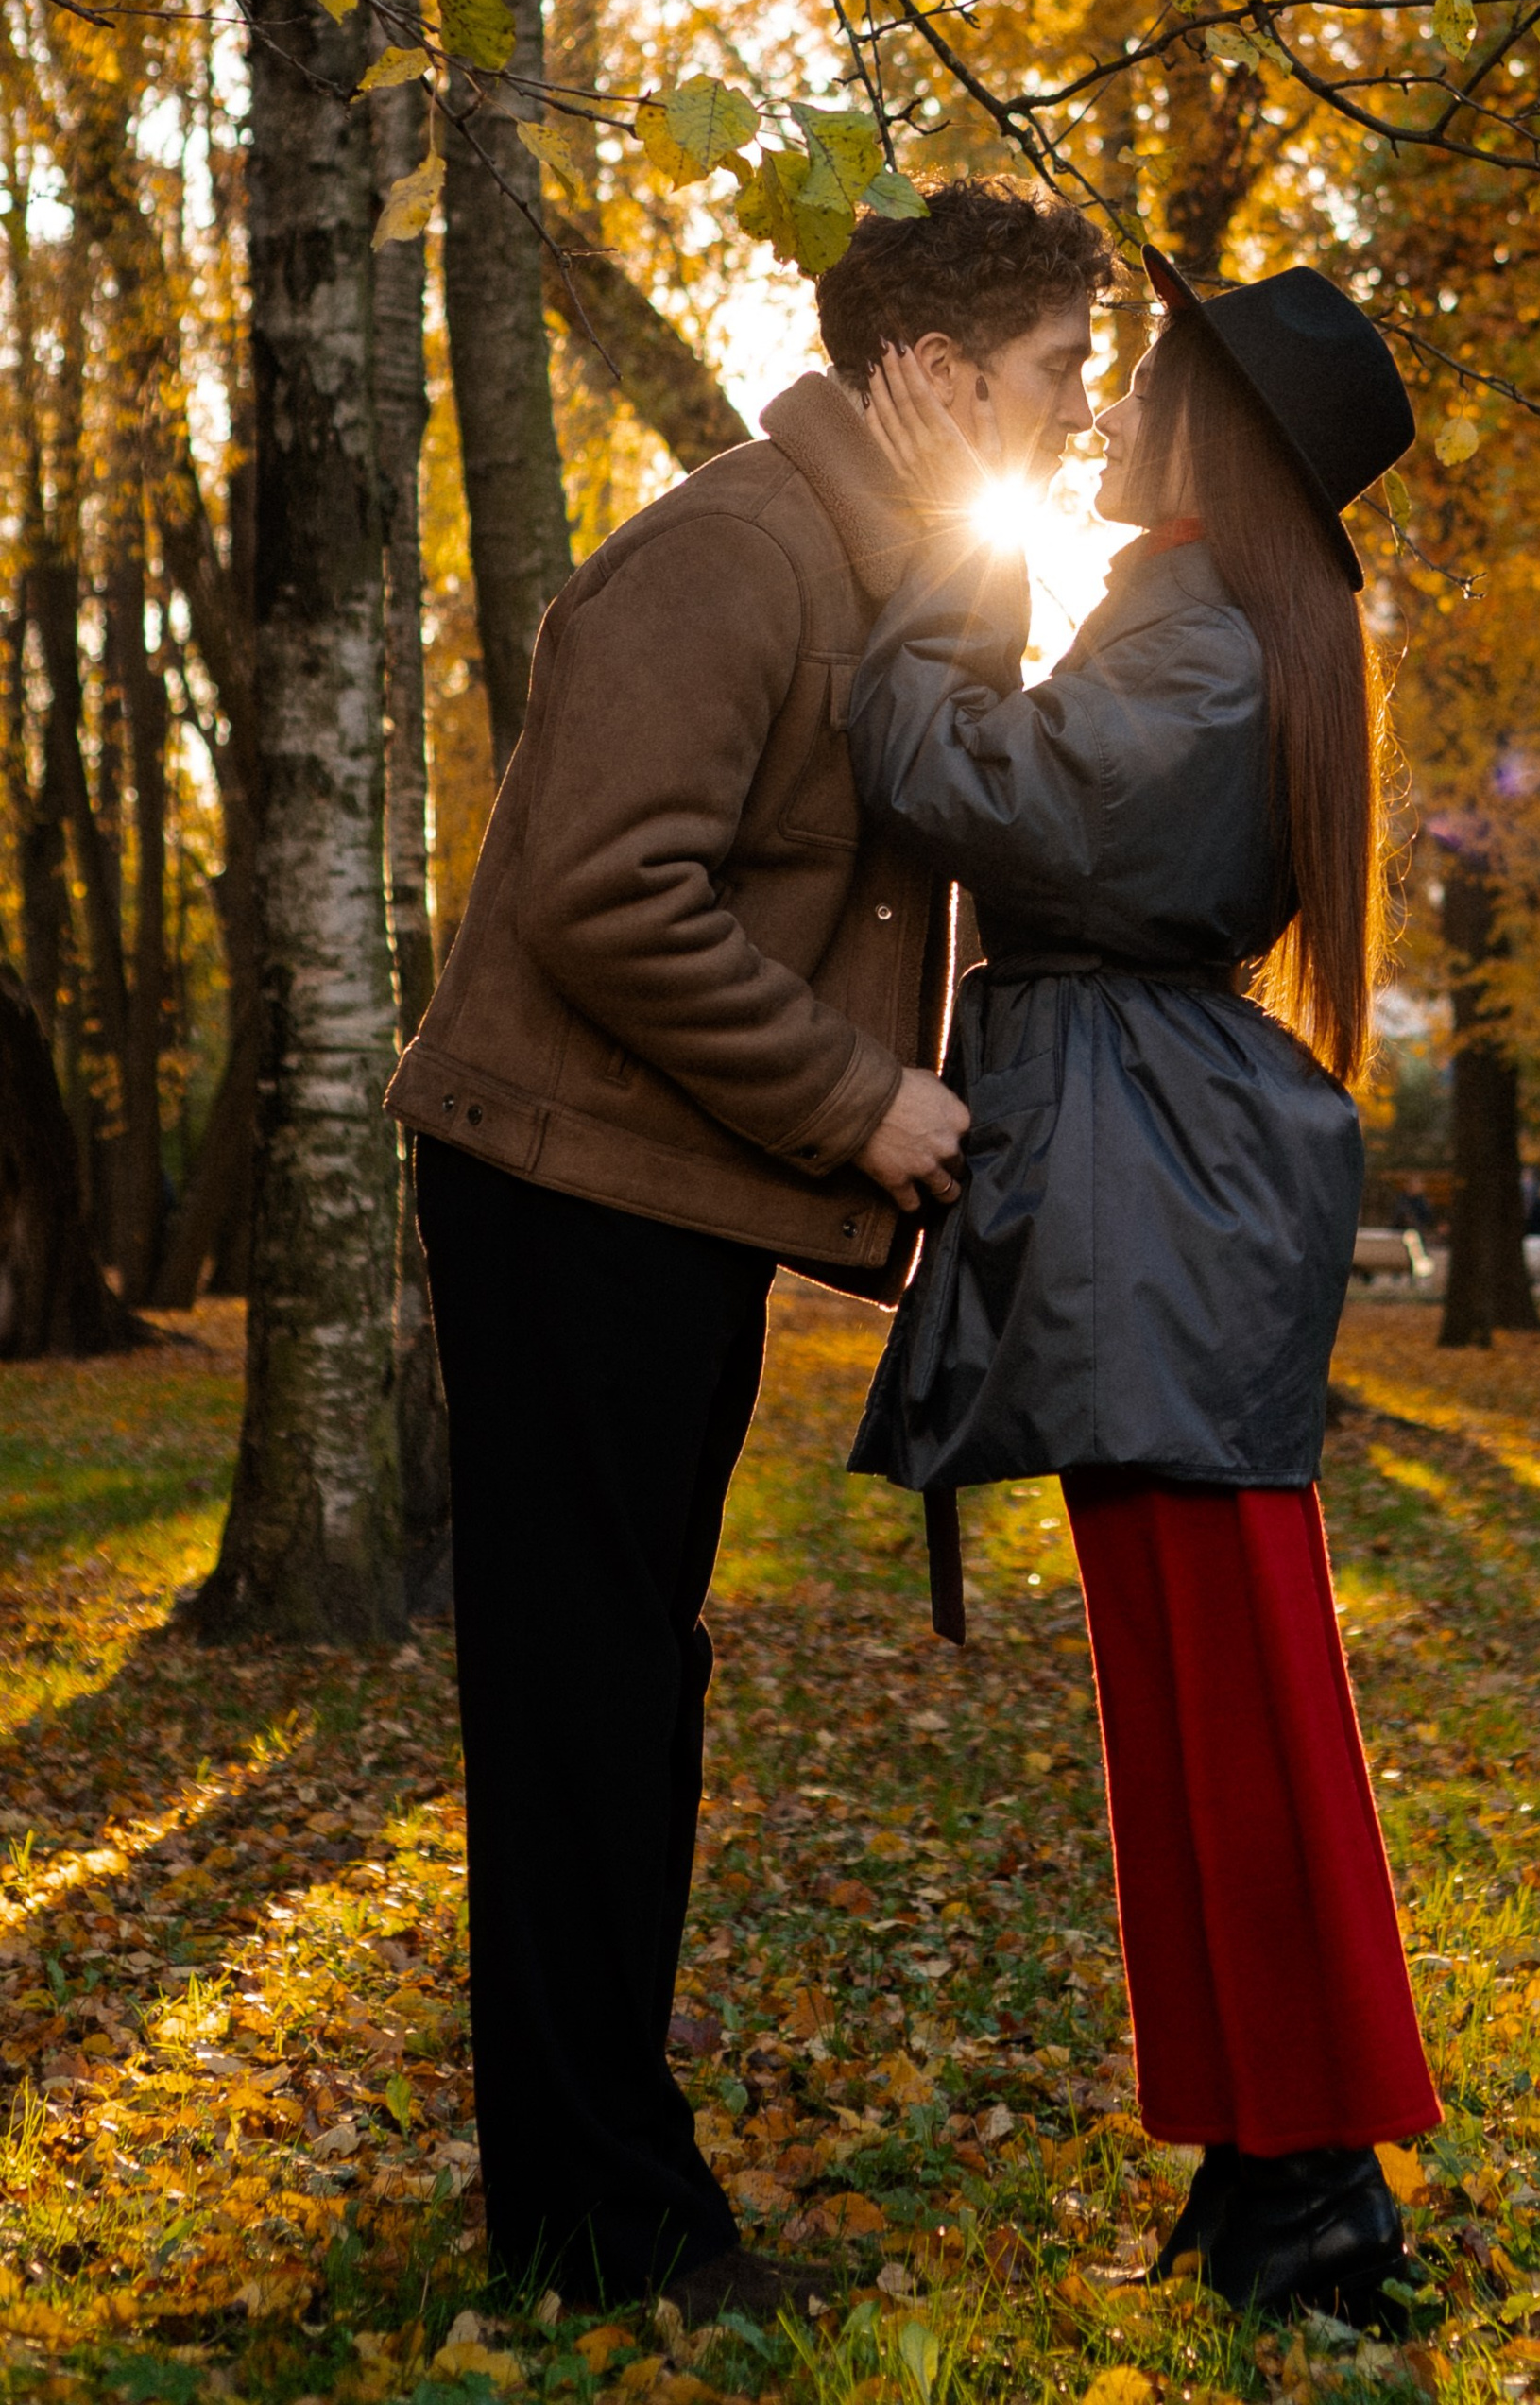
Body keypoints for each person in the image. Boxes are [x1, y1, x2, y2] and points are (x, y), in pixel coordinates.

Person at [385, 180, 1110, 2314]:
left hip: (656, 1193)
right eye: (1057, 372)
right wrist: (854, 1098)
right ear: (932, 373)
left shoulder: (879, 566)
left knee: (622, 1684)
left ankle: (594, 2180)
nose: (1080, 415)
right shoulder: (732, 554)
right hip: (563, 1194)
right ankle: (599, 2234)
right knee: (584, 1697)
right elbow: (603, 893)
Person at [845, 246, 1440, 2330]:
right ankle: (1264, 2163)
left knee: (1233, 1688)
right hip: (1140, 1177)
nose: (1105, 407)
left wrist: (948, 549)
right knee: (1186, 1695)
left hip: (1153, 1192)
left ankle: (1323, 2186)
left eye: (1144, 378)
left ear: (1213, 434)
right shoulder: (1203, 609)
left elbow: (967, 778)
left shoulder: (1203, 629)